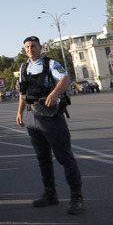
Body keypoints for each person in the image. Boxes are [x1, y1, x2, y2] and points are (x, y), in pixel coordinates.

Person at [15, 36, 83, 214]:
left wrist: (54, 94)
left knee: (64, 156)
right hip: (32, 117)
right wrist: (19, 112)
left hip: (50, 116)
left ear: (41, 47)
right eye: (27, 47)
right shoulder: (24, 67)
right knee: (42, 157)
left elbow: (65, 80)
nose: (30, 49)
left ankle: (77, 198)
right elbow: (22, 93)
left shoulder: (50, 64)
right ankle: (50, 194)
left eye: (34, 46)